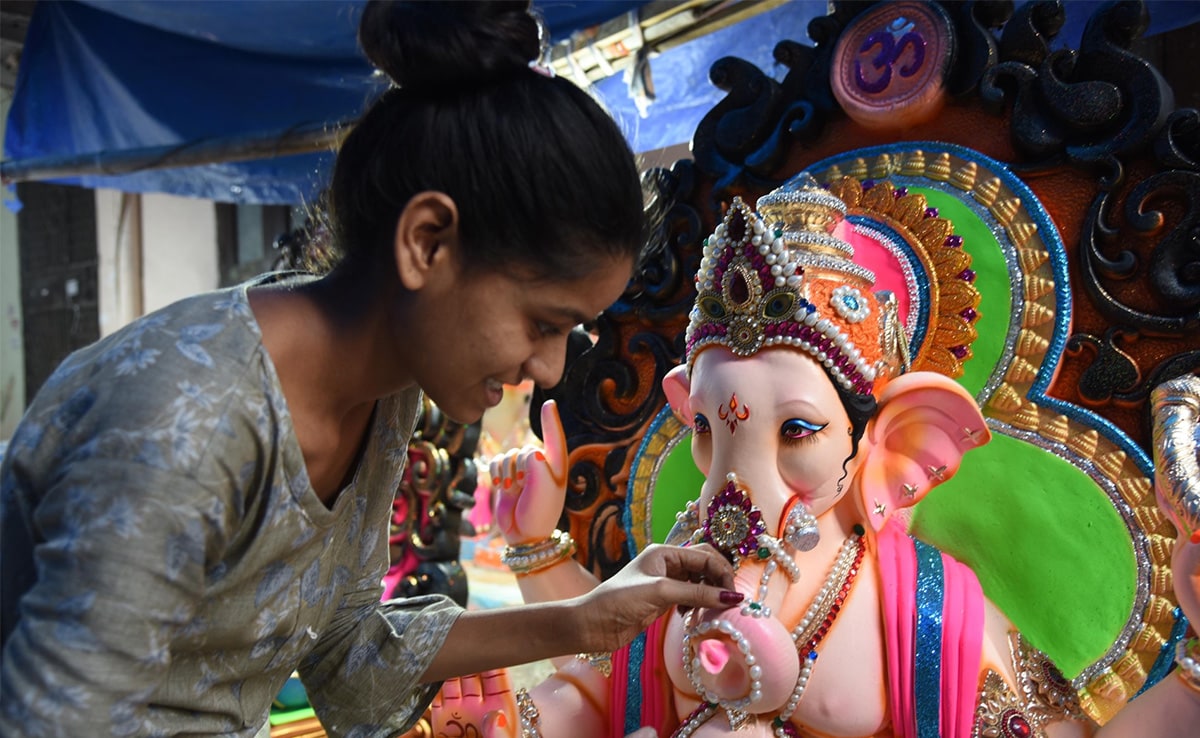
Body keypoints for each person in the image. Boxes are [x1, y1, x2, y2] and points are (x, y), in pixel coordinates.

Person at [0, 2, 742, 736]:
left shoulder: (382, 400)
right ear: (426, 241)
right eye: (543, 323)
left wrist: (585, 618)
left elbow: (349, 648)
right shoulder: (190, 421)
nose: (548, 369)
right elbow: (61, 717)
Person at [463, 175, 1200, 736]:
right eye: (711, 431)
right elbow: (597, 689)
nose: (732, 477)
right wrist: (511, 705)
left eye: (796, 433)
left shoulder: (925, 616)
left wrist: (1192, 675)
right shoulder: (683, 562)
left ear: (893, 441)